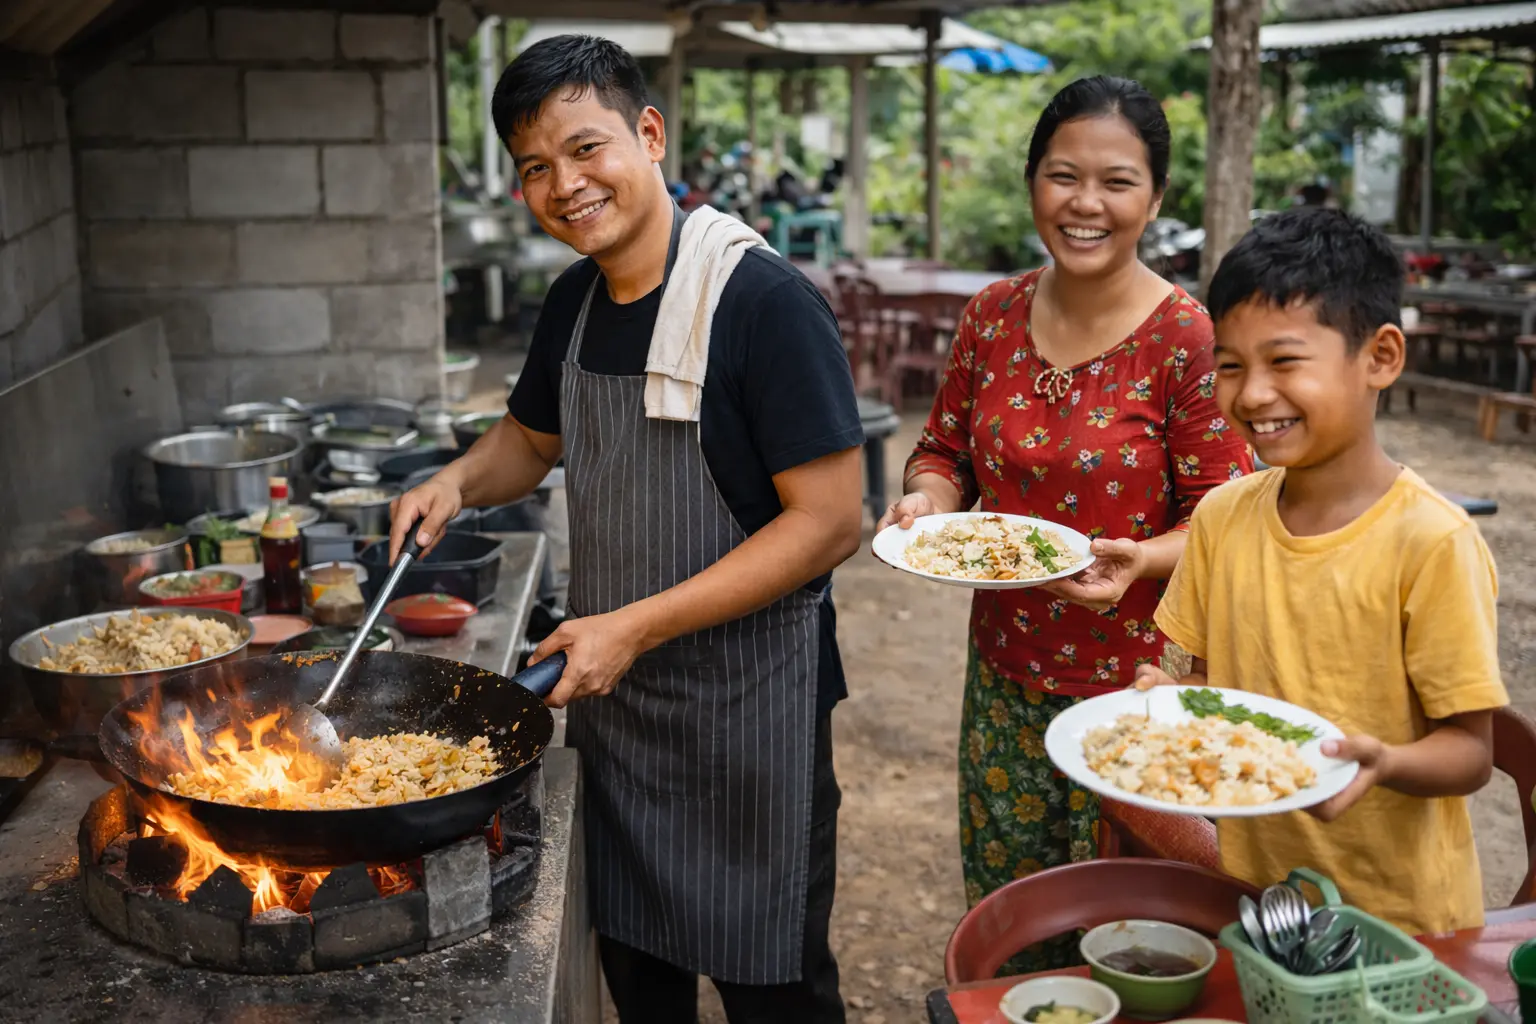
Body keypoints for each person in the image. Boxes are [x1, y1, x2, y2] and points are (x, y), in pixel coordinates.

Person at [389, 35, 863, 1022]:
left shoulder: (764, 303)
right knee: (642, 981)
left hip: (753, 718)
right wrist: (454, 482)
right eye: (534, 168)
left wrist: (636, 626)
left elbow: (826, 525)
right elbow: (528, 439)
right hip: (620, 709)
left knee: (774, 988)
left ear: (649, 133)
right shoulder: (573, 301)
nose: (565, 184)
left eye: (585, 147)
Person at [877, 75, 1253, 969]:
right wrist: (927, 503)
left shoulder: (1186, 337)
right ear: (1032, 182)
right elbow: (944, 452)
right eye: (1062, 175)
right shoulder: (992, 315)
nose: (1086, 204)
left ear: (1156, 199)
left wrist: (1141, 557)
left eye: (1118, 182)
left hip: (1139, 686)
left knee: (1131, 937)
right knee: (1013, 919)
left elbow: (1227, 517)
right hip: (1003, 675)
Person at [1135, 208, 1507, 936]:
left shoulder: (1430, 542)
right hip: (1262, 898)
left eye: (1285, 361)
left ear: (1381, 357)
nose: (1251, 394)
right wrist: (1167, 696)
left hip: (1402, 922)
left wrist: (1384, 762)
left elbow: (1469, 753)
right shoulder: (1221, 518)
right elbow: (1213, 685)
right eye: (1230, 366)